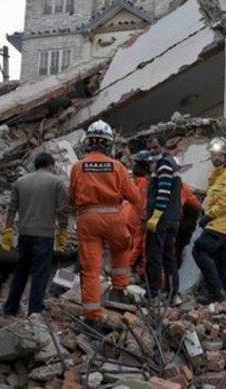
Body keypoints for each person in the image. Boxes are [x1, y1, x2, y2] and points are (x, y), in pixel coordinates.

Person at [70, 120, 141, 327]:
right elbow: (134, 197)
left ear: (89, 143)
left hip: (88, 219)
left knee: (91, 268)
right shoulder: (117, 167)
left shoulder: (77, 166)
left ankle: (92, 314)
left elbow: (72, 198)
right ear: (109, 144)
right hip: (114, 218)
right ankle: (119, 289)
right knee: (121, 247)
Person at [1, 153, 69, 315]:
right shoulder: (57, 182)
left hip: (24, 235)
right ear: (51, 165)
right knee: (40, 274)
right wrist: (63, 233)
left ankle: (10, 307)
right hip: (45, 235)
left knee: (20, 272)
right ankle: (35, 310)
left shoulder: (20, 182)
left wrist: (8, 231)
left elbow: (11, 209)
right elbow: (62, 211)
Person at [193, 137, 226, 302]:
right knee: (221, 262)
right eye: (213, 154)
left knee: (199, 251)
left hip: (220, 224)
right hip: (221, 225)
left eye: (219, 155)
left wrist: (208, 215)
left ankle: (216, 292)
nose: (215, 158)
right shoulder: (217, 175)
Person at [145, 136, 182, 304]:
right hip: (172, 218)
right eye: (150, 149)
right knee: (169, 256)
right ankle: (174, 294)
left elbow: (163, 192)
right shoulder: (170, 163)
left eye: (155, 147)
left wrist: (156, 215)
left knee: (155, 255)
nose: (153, 151)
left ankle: (154, 294)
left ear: (162, 146)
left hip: (162, 219)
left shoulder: (164, 165)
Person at [127, 150, 152, 277]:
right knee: (138, 246)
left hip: (129, 214)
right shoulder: (144, 182)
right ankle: (127, 270)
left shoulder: (134, 179)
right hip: (137, 217)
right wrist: (144, 218)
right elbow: (143, 202)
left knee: (131, 245)